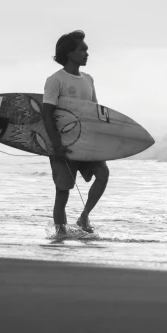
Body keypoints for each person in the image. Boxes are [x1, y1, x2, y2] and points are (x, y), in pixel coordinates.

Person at [42, 30, 109, 236]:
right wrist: (56, 145)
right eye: (83, 50)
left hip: (85, 142)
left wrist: (99, 142)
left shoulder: (88, 79)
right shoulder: (55, 80)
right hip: (63, 143)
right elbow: (46, 114)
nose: (87, 53)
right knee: (62, 193)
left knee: (103, 174)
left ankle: (84, 216)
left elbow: (94, 110)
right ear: (70, 53)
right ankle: (60, 234)